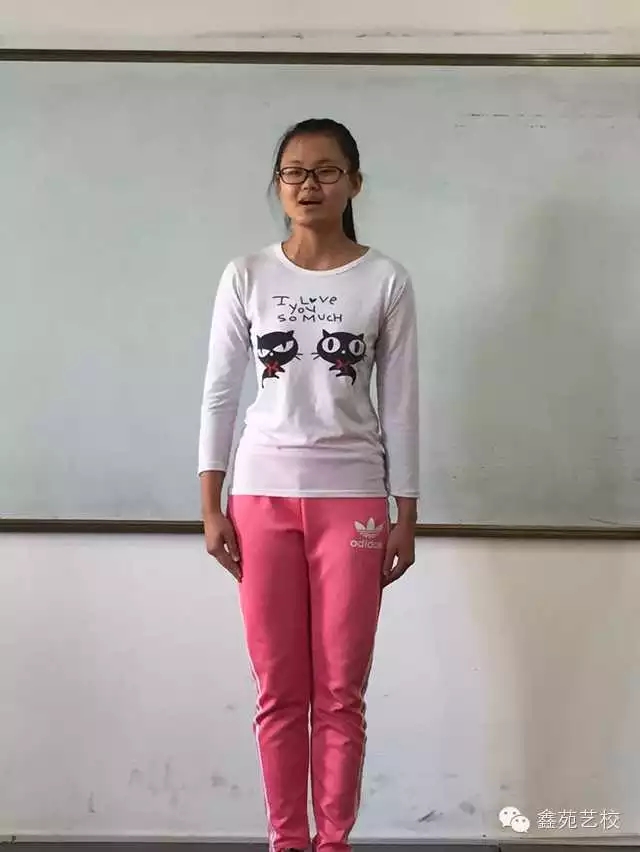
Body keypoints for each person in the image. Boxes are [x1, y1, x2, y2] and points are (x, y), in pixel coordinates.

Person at [198, 118, 420, 852]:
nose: (308, 185)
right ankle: (288, 840)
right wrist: (210, 504)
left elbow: (401, 403)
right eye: (293, 172)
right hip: (260, 495)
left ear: (354, 183)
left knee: (340, 692)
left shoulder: (385, 280)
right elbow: (220, 394)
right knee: (279, 690)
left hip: (352, 500)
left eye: (326, 171)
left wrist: (406, 513)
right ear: (278, 185)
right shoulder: (246, 275)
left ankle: (334, 842)